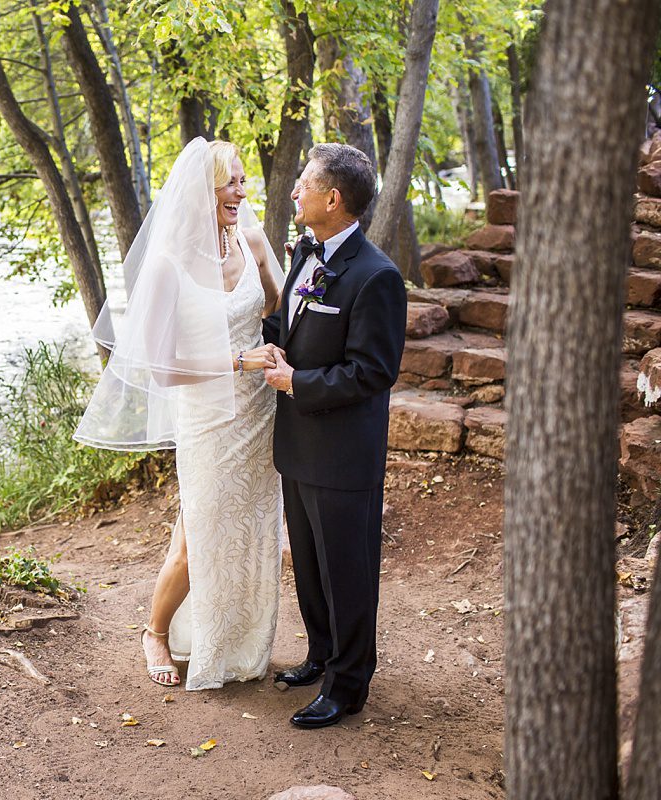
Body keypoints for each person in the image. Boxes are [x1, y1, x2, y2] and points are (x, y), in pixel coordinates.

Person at [74, 137, 285, 691]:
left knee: (252, 528)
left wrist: (267, 347)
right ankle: (155, 631)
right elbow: (161, 370)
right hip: (206, 418)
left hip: (257, 413)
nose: (241, 191)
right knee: (195, 540)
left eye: (242, 181)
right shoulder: (169, 264)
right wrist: (239, 357)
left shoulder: (253, 239)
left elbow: (275, 303)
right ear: (201, 190)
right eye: (231, 182)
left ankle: (236, 639)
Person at [243, 143, 407, 728]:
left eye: (304, 184)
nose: (294, 192)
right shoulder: (306, 255)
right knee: (310, 565)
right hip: (298, 446)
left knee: (347, 571)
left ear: (332, 198)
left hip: (343, 454)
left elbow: (373, 371)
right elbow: (291, 322)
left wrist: (295, 381)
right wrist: (264, 340)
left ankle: (349, 684)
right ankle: (320, 654)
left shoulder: (377, 276)